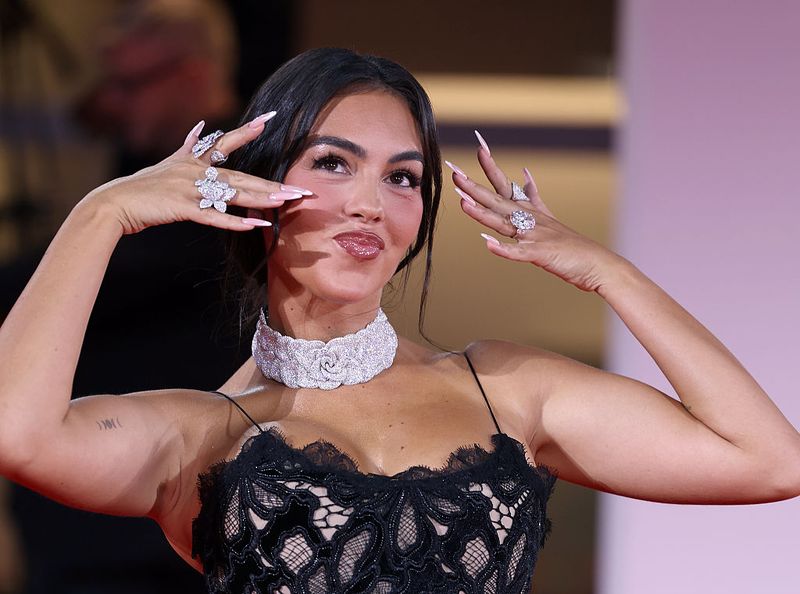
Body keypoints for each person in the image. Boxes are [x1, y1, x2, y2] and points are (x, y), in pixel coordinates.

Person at [0, 47, 798, 594]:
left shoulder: (507, 391)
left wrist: (608, 272)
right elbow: (17, 433)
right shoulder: (203, 432)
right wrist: (100, 215)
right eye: (333, 162)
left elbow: (768, 461)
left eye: (403, 177)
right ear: (259, 185)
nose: (368, 205)